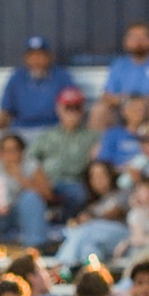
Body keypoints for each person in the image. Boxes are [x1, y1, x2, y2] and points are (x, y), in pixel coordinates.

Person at [0, 134, 51, 255]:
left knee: (30, 197)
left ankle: (34, 249)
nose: (9, 155)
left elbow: (47, 194)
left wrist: (20, 178)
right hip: (1, 215)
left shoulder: (32, 166)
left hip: (26, 214)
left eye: (13, 150)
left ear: (21, 151)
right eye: (5, 151)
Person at [28, 86, 98, 216]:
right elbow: (30, 159)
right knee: (30, 195)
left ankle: (64, 224)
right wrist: (38, 180)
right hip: (47, 180)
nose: (72, 113)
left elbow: (98, 160)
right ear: (59, 109)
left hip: (74, 180)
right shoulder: (47, 135)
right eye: (68, 108)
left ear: (82, 110)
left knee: (78, 193)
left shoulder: (92, 137)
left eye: (76, 108)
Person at [0, 36, 79, 139]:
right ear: (25, 58)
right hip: (22, 131)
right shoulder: (17, 78)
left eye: (41, 55)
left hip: (53, 130)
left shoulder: (62, 77)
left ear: (50, 57)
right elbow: (5, 111)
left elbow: (74, 107)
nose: (36, 60)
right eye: (32, 56)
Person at [56, 160, 128, 269]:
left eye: (101, 175)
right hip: (98, 240)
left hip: (123, 236)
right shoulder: (92, 203)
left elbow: (114, 213)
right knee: (89, 248)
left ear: (110, 175)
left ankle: (62, 265)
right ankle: (93, 274)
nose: (97, 180)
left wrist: (91, 218)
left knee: (88, 228)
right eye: (93, 177)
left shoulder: (122, 194)